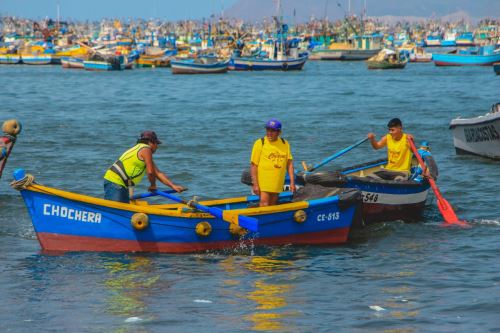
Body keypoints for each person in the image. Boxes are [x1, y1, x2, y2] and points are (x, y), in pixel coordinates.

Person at [103, 131, 185, 203]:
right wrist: (153, 185)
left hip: (118, 183)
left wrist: (173, 186)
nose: (157, 147)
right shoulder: (146, 149)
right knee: (117, 211)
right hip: (115, 182)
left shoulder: (140, 149)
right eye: (156, 144)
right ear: (151, 142)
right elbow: (150, 172)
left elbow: (158, 173)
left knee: (122, 211)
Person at [250, 119, 296, 207]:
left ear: (279, 132)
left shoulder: (284, 143)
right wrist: (255, 184)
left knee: (272, 205)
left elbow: (289, 164)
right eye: (268, 130)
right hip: (264, 182)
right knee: (264, 204)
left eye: (272, 131)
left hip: (277, 182)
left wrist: (292, 182)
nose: (269, 133)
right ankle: (263, 220)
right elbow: (253, 165)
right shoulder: (260, 143)